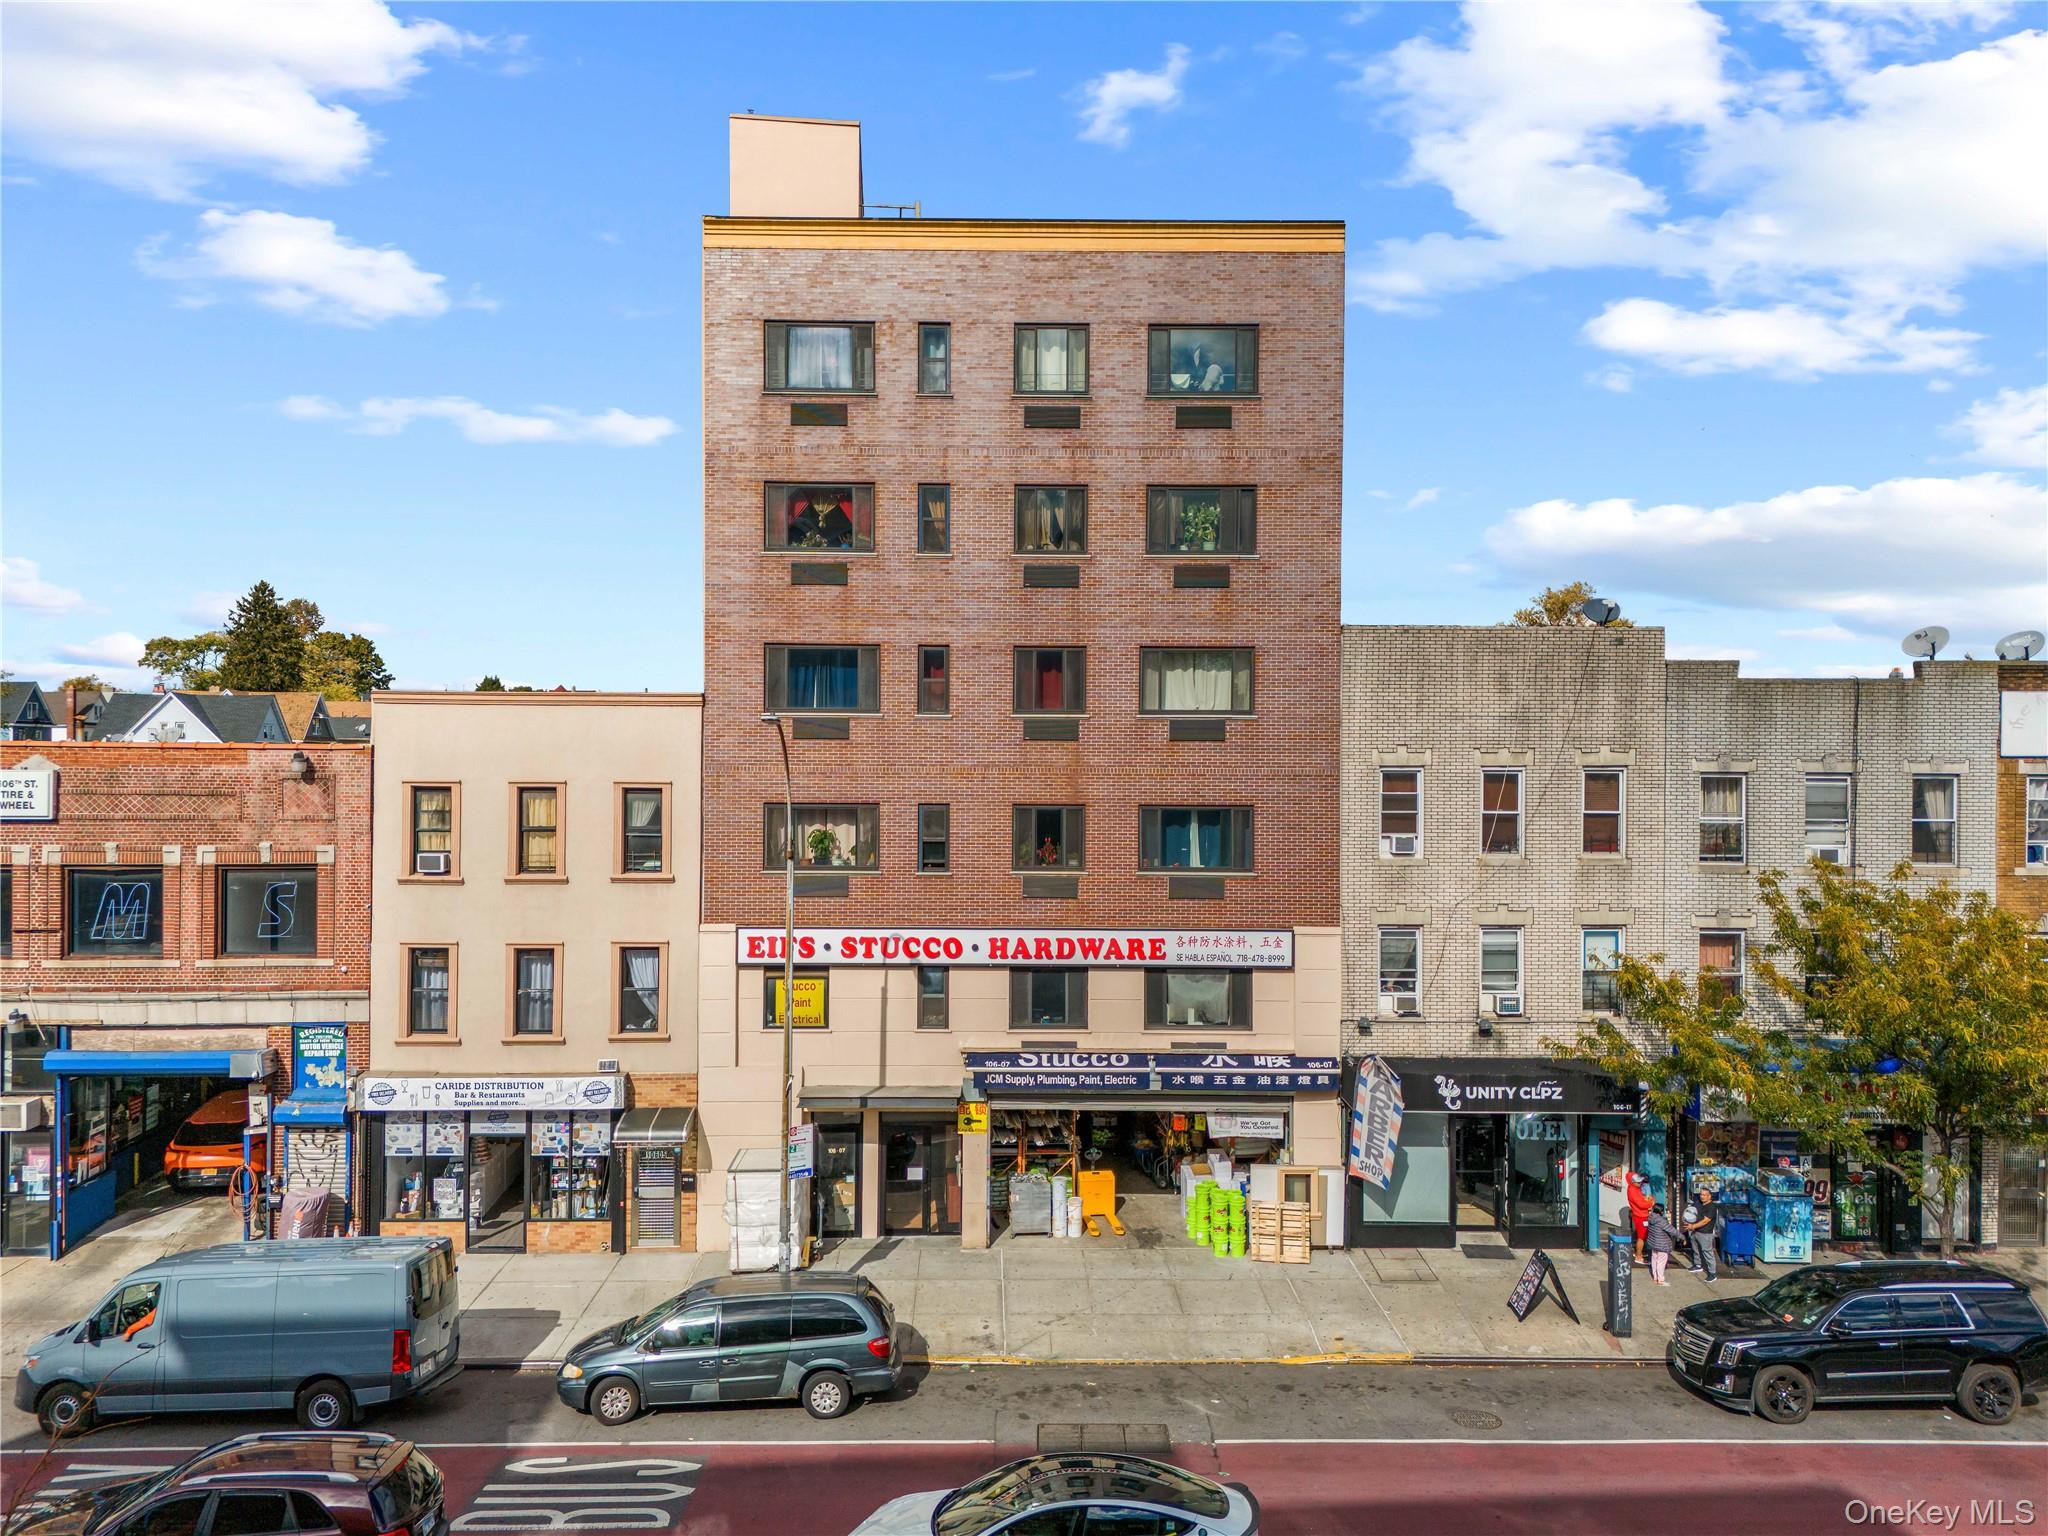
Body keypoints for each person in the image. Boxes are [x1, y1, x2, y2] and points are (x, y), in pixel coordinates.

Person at [1684, 1186, 1721, 1283]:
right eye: (1701, 1194)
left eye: (1704, 1195)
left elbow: (1705, 1221)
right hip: (1695, 1231)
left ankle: (1712, 1273)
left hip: (1705, 1233)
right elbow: (1691, 1211)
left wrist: (1693, 1226)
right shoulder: (1698, 1203)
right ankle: (1698, 1265)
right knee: (1696, 1249)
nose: (1702, 1196)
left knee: (1707, 1252)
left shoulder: (1712, 1207)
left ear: (1709, 1196)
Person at [1644, 1202, 1681, 1285]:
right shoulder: (1662, 1221)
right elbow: (1672, 1230)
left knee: (1654, 1260)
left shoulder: (1650, 1218)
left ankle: (1655, 1277)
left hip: (1653, 1243)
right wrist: (1682, 1237)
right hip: (1662, 1244)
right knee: (1661, 1262)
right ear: (1661, 1211)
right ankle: (1660, 1279)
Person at [1626, 1170, 1653, 1265]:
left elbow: (1643, 1200)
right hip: (1640, 1216)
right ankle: (1638, 1256)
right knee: (1641, 1237)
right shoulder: (1632, 1191)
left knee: (1643, 1236)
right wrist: (1651, 1202)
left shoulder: (1635, 1189)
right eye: (1638, 1182)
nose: (1640, 1182)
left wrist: (1647, 1200)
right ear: (1632, 1182)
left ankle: (1639, 1252)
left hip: (1642, 1215)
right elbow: (1642, 1204)